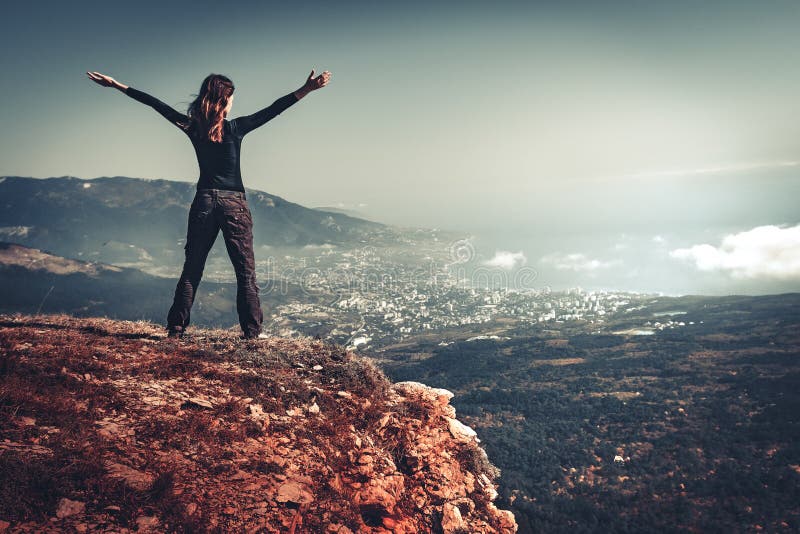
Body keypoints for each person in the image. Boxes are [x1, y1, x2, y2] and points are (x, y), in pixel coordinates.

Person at [86, 69, 331, 339]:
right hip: (234, 204)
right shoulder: (236, 128)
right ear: (225, 100)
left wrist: (118, 86)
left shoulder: (193, 127)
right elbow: (274, 109)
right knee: (245, 272)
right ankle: (251, 334)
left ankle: (176, 329)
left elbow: (156, 105)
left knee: (192, 268)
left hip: (204, 202)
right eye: (232, 98)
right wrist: (307, 89)